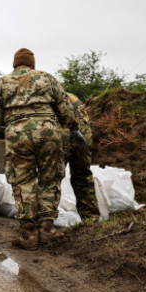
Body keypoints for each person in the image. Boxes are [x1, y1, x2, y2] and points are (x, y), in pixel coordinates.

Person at [0, 48, 87, 250]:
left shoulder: (2, 83)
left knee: (23, 182)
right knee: (50, 179)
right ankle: (47, 230)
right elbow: (65, 107)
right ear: (32, 64)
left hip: (18, 135)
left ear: (15, 64)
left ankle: (28, 235)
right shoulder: (48, 79)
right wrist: (74, 130)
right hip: (48, 133)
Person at [60, 92, 99, 220]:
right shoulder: (73, 97)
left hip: (65, 134)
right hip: (84, 135)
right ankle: (90, 219)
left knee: (52, 179)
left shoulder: (50, 97)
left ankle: (46, 222)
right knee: (83, 176)